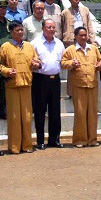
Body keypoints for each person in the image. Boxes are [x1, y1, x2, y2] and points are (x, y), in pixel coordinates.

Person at [0, 21, 41, 154]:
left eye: (22, 30)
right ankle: (15, 147)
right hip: (12, 86)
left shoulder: (29, 46)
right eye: (17, 30)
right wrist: (6, 72)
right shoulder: (5, 46)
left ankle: (28, 145)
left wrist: (36, 63)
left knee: (27, 117)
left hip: (27, 85)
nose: (20, 32)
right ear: (11, 32)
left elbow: (37, 60)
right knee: (14, 117)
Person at [61, 27, 101, 148]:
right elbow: (62, 63)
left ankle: (92, 139)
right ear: (75, 36)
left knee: (92, 113)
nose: (83, 37)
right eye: (80, 35)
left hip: (92, 84)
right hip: (78, 85)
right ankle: (80, 140)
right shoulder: (70, 50)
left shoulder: (93, 49)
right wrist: (71, 64)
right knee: (80, 113)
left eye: (85, 35)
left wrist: (100, 65)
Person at [31, 19, 65, 150]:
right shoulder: (35, 43)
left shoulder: (59, 44)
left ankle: (54, 139)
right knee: (40, 111)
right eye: (49, 27)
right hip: (40, 79)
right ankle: (40, 140)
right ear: (43, 28)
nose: (51, 29)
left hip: (55, 79)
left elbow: (63, 60)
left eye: (53, 27)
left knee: (55, 111)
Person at [60, 0, 97, 97]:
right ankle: (71, 92)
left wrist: (92, 39)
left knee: (84, 64)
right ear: (70, 0)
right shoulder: (65, 12)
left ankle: (85, 86)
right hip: (70, 41)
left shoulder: (85, 10)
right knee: (72, 65)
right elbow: (62, 27)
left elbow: (89, 25)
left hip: (84, 39)